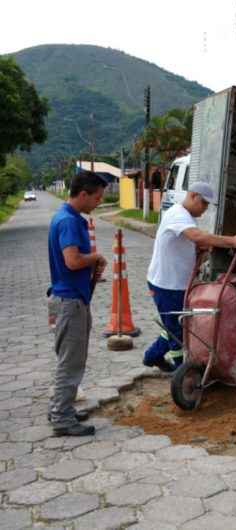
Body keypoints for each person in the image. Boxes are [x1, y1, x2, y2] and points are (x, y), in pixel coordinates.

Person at [144, 182, 236, 372]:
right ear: (192, 195)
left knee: (176, 325)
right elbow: (197, 236)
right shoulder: (177, 214)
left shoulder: (186, 217)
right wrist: (232, 241)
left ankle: (152, 355)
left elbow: (193, 242)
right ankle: (182, 373)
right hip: (167, 284)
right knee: (178, 331)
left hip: (178, 283)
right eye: (204, 204)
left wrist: (199, 254)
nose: (205, 209)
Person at [48, 170, 108, 436]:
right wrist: (94, 258)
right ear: (83, 194)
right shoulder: (69, 222)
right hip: (70, 301)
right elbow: (72, 261)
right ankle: (61, 418)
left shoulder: (68, 217)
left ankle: (62, 408)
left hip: (71, 299)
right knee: (70, 363)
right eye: (97, 198)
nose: (99, 203)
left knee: (70, 360)